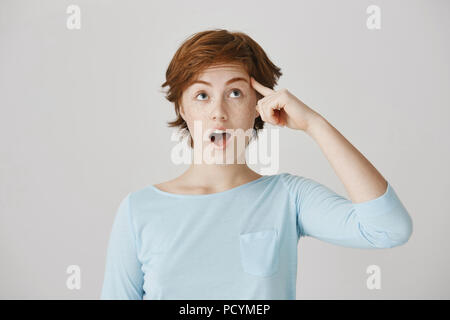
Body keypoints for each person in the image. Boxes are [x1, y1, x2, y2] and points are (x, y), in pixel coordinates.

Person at [100, 29, 413, 300]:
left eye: (235, 93)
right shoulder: (138, 210)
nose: (218, 112)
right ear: (181, 107)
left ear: (258, 105)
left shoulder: (289, 197)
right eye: (202, 95)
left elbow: (388, 229)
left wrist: (314, 124)